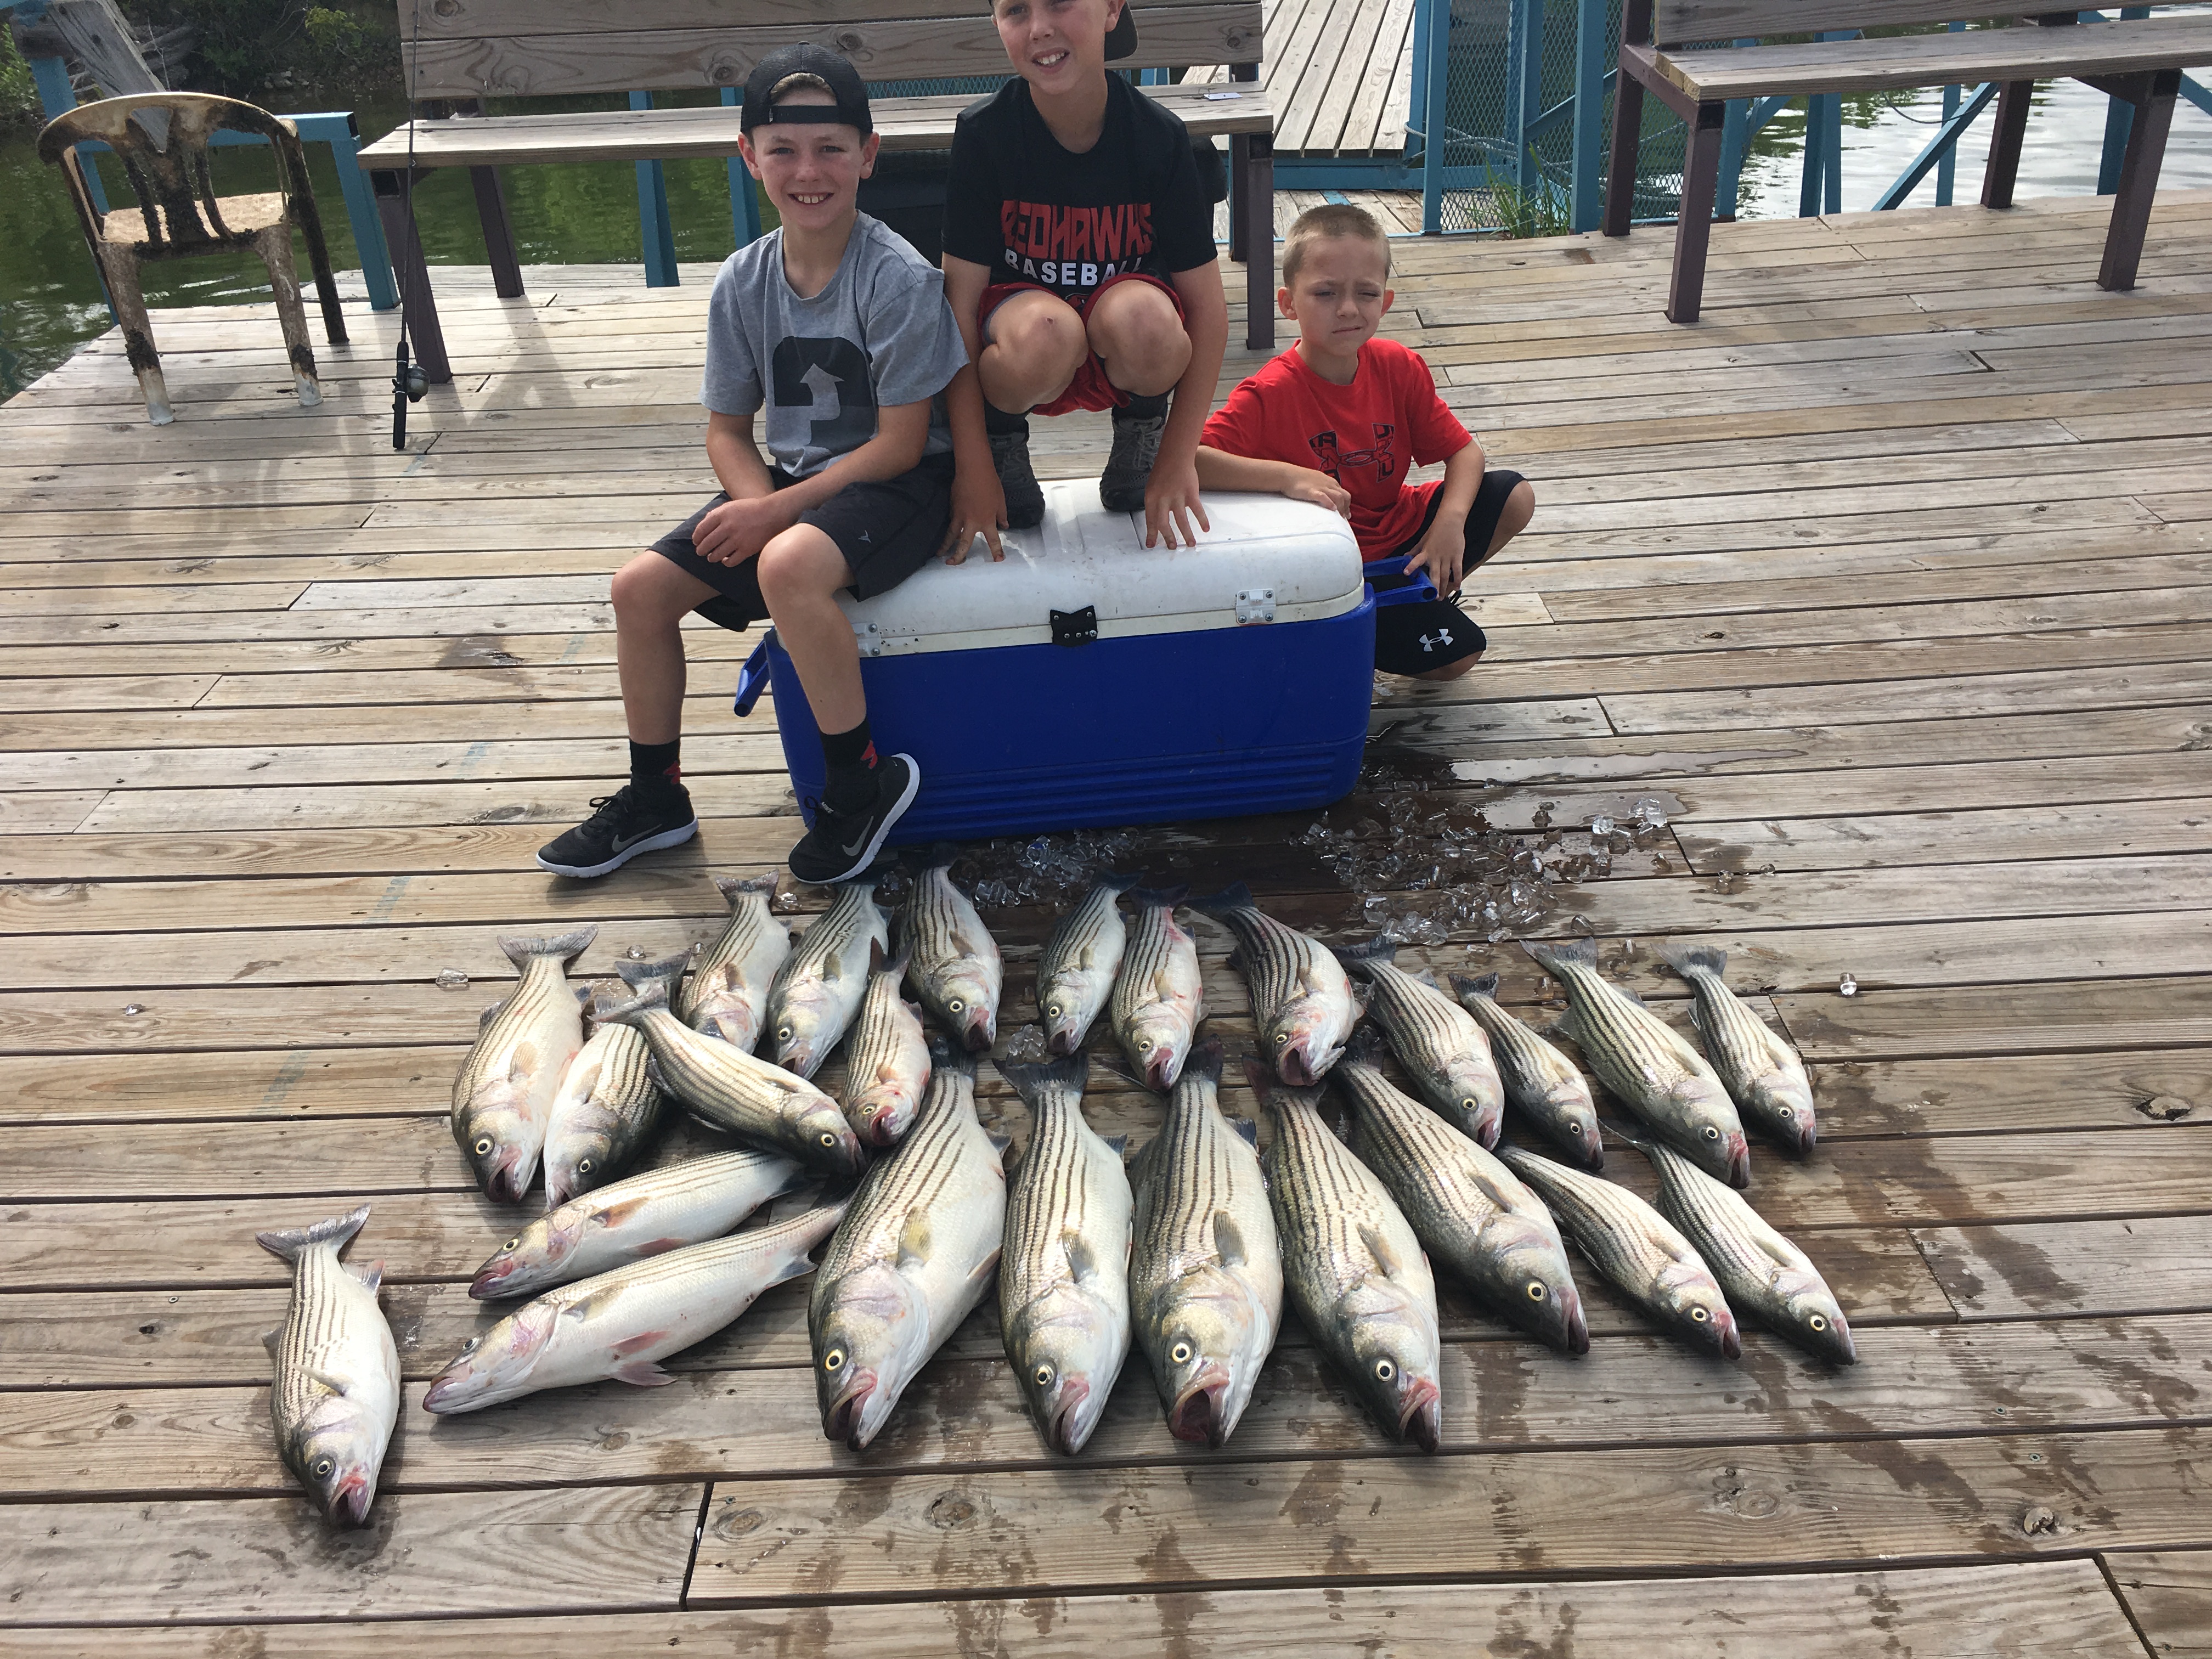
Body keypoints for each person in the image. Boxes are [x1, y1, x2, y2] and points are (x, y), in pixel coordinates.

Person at [535, 46, 1002, 885]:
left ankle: (860, 785)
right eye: (782, 149)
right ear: (748, 155)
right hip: (788, 491)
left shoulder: (896, 277)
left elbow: (901, 443)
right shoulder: (741, 281)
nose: (808, 171)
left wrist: (775, 519)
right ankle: (657, 797)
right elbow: (727, 431)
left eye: (831, 148)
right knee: (637, 589)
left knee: (788, 564)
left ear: (869, 154)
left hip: (899, 486)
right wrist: (758, 504)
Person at [1194, 203, 1536, 681]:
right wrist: (1289, 478)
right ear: (1288, 303)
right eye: (1326, 293)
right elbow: (1191, 462)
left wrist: (1449, 525)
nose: (1349, 309)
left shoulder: (1399, 366)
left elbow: (1465, 452)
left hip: (1401, 537)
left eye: (1366, 293)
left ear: (1386, 302)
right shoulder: (1269, 394)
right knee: (1459, 658)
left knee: (1515, 496)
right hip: (1330, 563)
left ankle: (1422, 593)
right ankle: (1349, 627)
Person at [940, 0, 1228, 548]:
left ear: (1112, 9)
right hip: (1023, 350)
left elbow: (1209, 313)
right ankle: (1003, 449)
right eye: (1016, 10)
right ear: (996, 24)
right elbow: (956, 311)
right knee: (1046, 332)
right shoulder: (985, 135)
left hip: (1120, 341)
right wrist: (970, 465)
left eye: (1060, 3)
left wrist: (1177, 458)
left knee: (1148, 318)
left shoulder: (1160, 137)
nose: (1041, 26)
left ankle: (1141, 442)